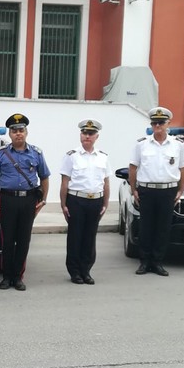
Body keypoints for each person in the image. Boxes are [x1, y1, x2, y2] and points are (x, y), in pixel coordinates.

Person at [0, 113, 50, 291]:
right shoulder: (1, 154)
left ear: (26, 132)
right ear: (10, 134)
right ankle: (6, 277)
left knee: (23, 240)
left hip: (28, 200)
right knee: (7, 241)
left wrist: (43, 200)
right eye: (14, 131)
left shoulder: (36, 153)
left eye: (21, 130)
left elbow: (44, 177)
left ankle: (18, 276)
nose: (18, 134)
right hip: (7, 200)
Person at [128, 107, 184, 276]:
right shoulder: (141, 144)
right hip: (147, 190)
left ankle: (157, 262)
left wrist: (180, 189)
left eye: (161, 122)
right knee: (146, 227)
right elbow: (133, 168)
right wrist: (134, 189)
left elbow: (183, 169)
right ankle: (144, 261)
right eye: (154, 122)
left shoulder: (178, 145)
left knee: (163, 228)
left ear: (168, 124)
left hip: (167, 191)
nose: (157, 125)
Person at [59, 119, 110, 285]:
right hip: (76, 200)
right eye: (84, 133)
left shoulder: (103, 157)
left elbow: (106, 182)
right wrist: (63, 204)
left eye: (91, 133)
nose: (87, 136)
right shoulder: (71, 156)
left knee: (90, 237)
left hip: (95, 200)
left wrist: (105, 203)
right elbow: (65, 182)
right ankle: (74, 272)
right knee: (75, 236)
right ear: (80, 135)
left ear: (97, 136)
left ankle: (86, 270)